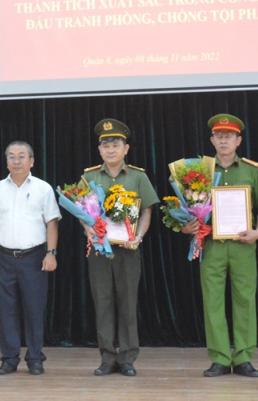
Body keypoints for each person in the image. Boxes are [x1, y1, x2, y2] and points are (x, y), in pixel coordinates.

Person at [182, 114, 258, 378]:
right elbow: (189, 210)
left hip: (243, 245)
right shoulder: (198, 171)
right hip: (211, 244)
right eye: (219, 136)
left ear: (239, 140)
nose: (224, 140)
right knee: (212, 301)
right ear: (212, 140)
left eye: (229, 136)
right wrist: (186, 226)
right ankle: (220, 358)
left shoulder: (251, 170)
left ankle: (244, 357)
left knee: (245, 300)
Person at [80, 118, 160, 377]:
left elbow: (147, 210)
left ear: (126, 149)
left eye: (116, 144)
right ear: (99, 150)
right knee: (102, 302)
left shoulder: (137, 176)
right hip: (100, 252)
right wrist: (88, 230)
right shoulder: (89, 176)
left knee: (127, 302)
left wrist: (139, 236)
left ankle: (127, 358)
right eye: (106, 145)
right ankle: (107, 358)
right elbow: (82, 212)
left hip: (128, 250)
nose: (111, 149)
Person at [0, 141, 61, 376]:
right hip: (2, 257)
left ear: (32, 161)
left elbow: (52, 223)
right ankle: (9, 358)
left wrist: (51, 253)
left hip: (34, 258)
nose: (17, 161)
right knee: (6, 310)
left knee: (34, 310)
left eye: (22, 156)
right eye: (12, 157)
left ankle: (35, 359)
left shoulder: (43, 188)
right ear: (6, 161)